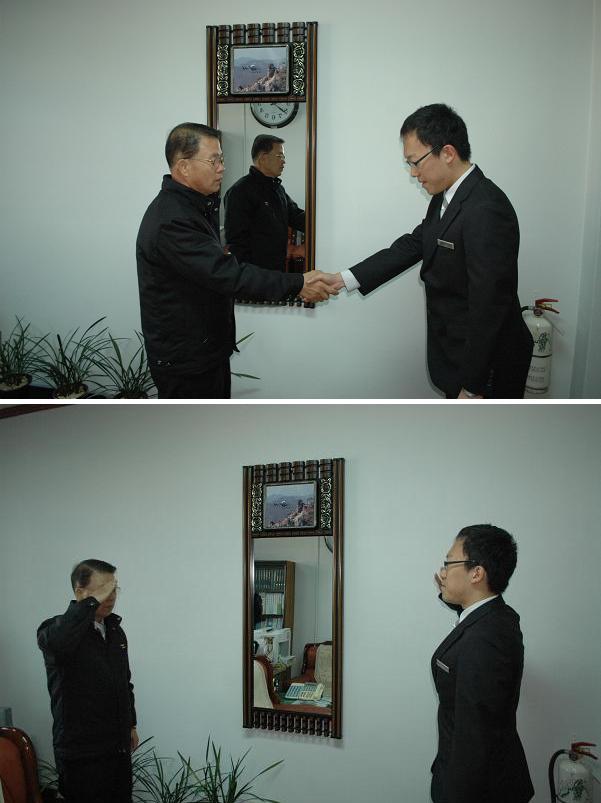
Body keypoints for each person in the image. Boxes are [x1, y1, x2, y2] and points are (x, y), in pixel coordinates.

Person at [331, 103, 534, 399]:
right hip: (456, 355)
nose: (413, 173)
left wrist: (472, 387)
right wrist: (343, 279)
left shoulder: (486, 208)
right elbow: (415, 243)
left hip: (487, 369)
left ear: (448, 153)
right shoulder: (446, 195)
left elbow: (490, 306)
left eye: (416, 162)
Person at [136, 123, 335, 399]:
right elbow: (227, 273)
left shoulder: (195, 206)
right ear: (184, 167)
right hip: (187, 361)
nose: (222, 168)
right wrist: (298, 283)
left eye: (222, 159)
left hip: (207, 350)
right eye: (214, 161)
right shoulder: (172, 220)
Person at [431, 525, 534, 803]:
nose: (442, 572)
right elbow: (472, 618)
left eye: (448, 563)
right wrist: (452, 595)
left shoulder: (486, 639)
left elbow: (474, 739)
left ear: (476, 573)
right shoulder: (498, 616)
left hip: (480, 790)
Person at [37, 560, 138, 803]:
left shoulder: (114, 630)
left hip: (117, 748)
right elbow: (58, 643)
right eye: (104, 589)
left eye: (114, 588)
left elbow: (124, 683)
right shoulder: (55, 630)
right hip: (81, 753)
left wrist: (131, 725)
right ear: (80, 592)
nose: (111, 596)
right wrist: (89, 604)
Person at [224, 134, 305, 272]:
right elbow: (237, 242)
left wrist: (320, 223)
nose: (284, 161)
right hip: (255, 274)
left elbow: (296, 216)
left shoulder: (277, 189)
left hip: (276, 270)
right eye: (280, 156)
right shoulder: (240, 191)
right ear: (263, 158)